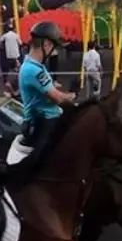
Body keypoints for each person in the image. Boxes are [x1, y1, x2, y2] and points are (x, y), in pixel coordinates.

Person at [18, 20, 75, 164]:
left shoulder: (37, 67)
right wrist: (73, 95)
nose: (54, 52)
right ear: (46, 44)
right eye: (54, 47)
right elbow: (57, 98)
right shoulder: (33, 70)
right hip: (43, 124)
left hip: (49, 119)